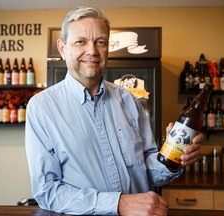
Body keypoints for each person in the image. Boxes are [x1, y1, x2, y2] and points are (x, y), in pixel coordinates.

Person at [25, 6, 203, 215]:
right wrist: (119, 204)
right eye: (80, 41)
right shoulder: (42, 107)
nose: (92, 50)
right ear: (63, 48)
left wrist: (173, 159)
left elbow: (148, 170)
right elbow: (48, 192)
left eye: (100, 42)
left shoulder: (128, 99)